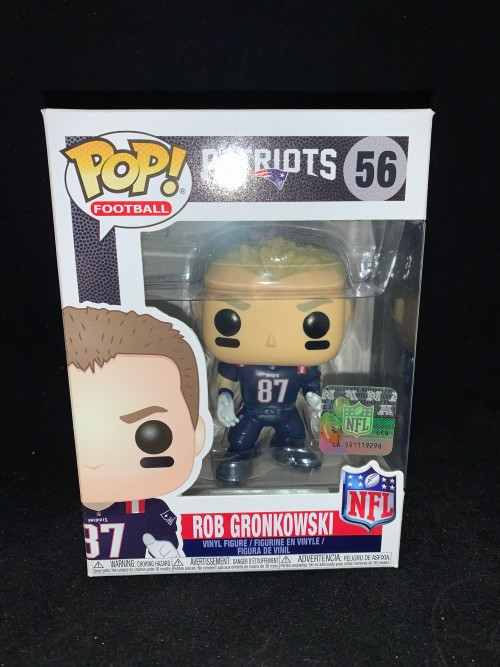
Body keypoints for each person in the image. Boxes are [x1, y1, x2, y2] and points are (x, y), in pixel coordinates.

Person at [201, 237, 350, 483]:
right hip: (251, 412)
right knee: (239, 439)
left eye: (314, 324)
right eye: (230, 320)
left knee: (296, 435)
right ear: (201, 310)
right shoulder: (242, 363)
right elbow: (225, 379)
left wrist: (314, 397)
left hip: (287, 412)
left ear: (345, 314)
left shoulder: (301, 366)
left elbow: (310, 385)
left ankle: (287, 451)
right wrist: (225, 399)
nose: (271, 341)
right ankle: (238, 458)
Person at [63, 306, 206, 559]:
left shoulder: (147, 508)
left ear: (197, 435)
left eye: (152, 435)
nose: (96, 460)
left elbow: (165, 535)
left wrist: (165, 548)